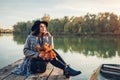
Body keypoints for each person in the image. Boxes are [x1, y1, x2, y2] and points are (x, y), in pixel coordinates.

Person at [12, 20, 81, 77]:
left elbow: (51, 48)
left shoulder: (45, 36)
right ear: (37, 28)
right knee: (48, 55)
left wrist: (49, 37)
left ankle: (66, 68)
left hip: (45, 57)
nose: (44, 28)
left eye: (44, 26)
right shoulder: (30, 37)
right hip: (33, 58)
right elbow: (25, 51)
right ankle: (67, 69)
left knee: (51, 52)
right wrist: (37, 54)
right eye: (41, 26)